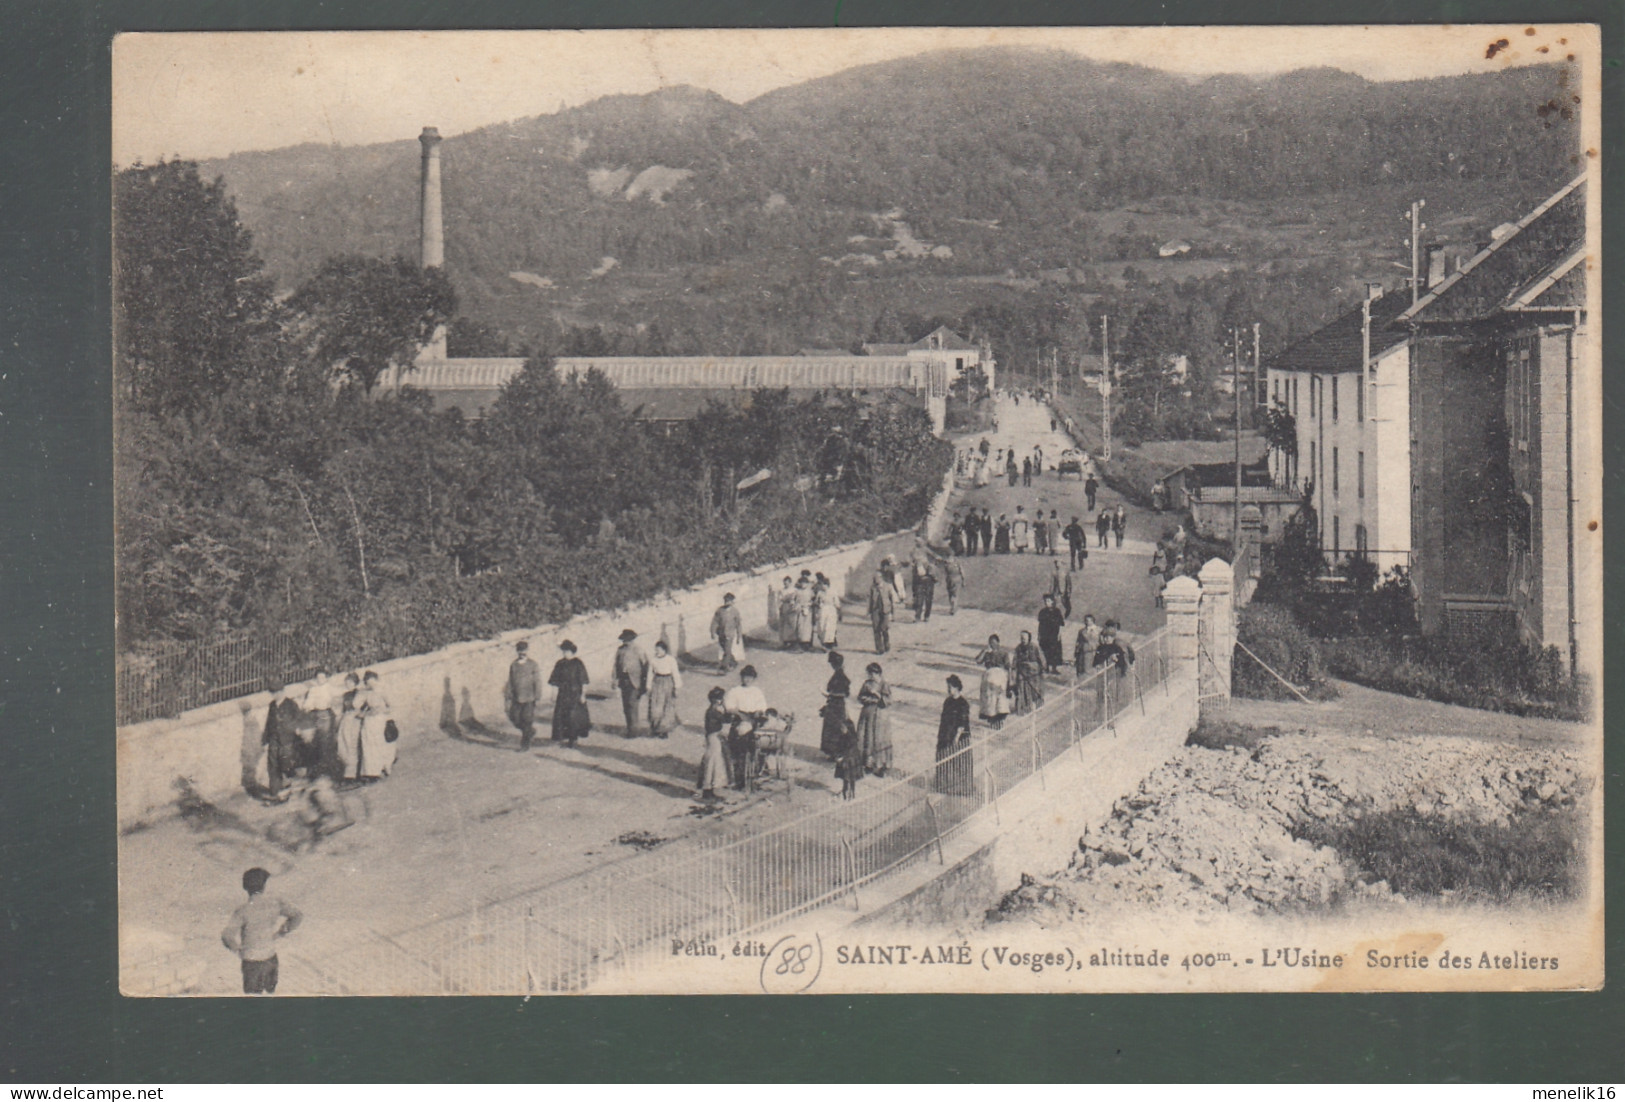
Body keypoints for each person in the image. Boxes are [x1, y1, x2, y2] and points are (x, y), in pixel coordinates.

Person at [222, 867, 302, 996]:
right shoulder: (274, 904)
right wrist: (282, 932)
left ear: (245, 887)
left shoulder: (242, 910)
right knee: (271, 994)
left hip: (251, 961)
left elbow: (227, 936)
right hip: (270, 957)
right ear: (264, 885)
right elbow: (297, 915)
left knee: (253, 1001)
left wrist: (237, 949)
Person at [722, 666, 770, 789]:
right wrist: (739, 714)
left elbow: (762, 706)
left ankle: (756, 773)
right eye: (745, 677)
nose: (747, 680)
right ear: (741, 677)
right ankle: (739, 779)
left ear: (754, 678)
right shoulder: (734, 691)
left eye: (750, 677)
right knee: (739, 751)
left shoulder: (757, 691)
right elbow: (729, 707)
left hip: (753, 721)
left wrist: (758, 713)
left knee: (758, 746)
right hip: (739, 720)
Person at [261, 682, 303, 800]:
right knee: (272, 765)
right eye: (273, 693)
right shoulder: (272, 705)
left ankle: (287, 790)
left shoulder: (291, 704)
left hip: (287, 740)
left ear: (282, 691)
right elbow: (268, 723)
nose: (275, 695)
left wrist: (296, 731)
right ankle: (275, 793)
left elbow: (299, 720)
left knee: (286, 765)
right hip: (274, 739)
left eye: (277, 692)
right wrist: (264, 741)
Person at [934, 675, 974, 797]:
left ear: (957, 688)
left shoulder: (963, 704)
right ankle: (944, 785)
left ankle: (961, 788)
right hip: (945, 736)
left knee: (959, 762)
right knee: (944, 760)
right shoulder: (948, 701)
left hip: (958, 739)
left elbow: (962, 724)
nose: (948, 689)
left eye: (950, 687)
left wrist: (955, 739)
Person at [355, 670, 396, 780]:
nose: (371, 685)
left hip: (380, 720)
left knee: (379, 745)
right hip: (369, 721)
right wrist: (366, 713)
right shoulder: (365, 693)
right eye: (369, 683)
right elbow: (356, 707)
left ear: (377, 681)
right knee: (368, 745)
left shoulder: (383, 691)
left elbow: (391, 707)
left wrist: (381, 710)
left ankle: (382, 767)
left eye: (373, 682)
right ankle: (371, 772)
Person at [548, 640, 591, 746]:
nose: (564, 653)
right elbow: (554, 680)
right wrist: (553, 694)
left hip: (575, 694)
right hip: (563, 694)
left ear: (572, 651)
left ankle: (574, 739)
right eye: (563, 651)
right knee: (562, 716)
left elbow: (584, 681)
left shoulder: (578, 663)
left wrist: (583, 695)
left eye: (566, 651)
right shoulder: (560, 663)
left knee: (573, 717)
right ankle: (564, 737)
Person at [302, 670, 341, 781]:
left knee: (325, 741)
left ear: (326, 678)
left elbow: (336, 702)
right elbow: (309, 703)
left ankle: (327, 769)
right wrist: (307, 707)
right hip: (315, 715)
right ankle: (316, 770)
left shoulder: (330, 689)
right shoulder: (313, 690)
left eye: (322, 678)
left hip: (326, 715)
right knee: (315, 742)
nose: (320, 680)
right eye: (318, 678)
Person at [856, 662, 893, 776]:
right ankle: (868, 765)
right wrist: (869, 699)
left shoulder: (884, 684)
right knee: (867, 739)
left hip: (880, 718)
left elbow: (888, 700)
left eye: (873, 674)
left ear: (878, 673)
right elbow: (860, 697)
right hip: (867, 716)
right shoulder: (867, 684)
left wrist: (876, 695)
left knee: (879, 740)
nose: (871, 676)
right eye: (869, 674)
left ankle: (881, 766)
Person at [613, 629, 650, 736]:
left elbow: (645, 666)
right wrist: (614, 679)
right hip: (624, 681)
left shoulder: (639, 650)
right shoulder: (620, 650)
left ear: (632, 640)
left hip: (635, 681)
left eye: (628, 640)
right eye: (624, 640)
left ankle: (634, 730)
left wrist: (644, 683)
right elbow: (616, 666)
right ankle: (630, 727)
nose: (625, 642)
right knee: (626, 706)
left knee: (632, 704)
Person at [696, 686, 730, 800]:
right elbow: (727, 719)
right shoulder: (713, 712)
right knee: (713, 762)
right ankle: (708, 789)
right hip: (713, 738)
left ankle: (709, 789)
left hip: (712, 738)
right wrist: (725, 706)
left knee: (712, 762)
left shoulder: (711, 711)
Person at [646, 640, 682, 739]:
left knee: (667, 706)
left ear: (664, 650)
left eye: (658, 650)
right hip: (657, 683)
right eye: (655, 650)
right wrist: (648, 686)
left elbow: (675, 673)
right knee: (656, 706)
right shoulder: (653, 660)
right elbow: (650, 674)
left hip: (668, 682)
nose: (656, 652)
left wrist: (677, 687)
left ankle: (664, 730)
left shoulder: (670, 660)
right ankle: (655, 728)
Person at [818, 651, 852, 757]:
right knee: (836, 728)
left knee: (834, 728)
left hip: (835, 705)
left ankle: (836, 753)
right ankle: (836, 753)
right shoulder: (840, 675)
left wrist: (828, 695)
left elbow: (842, 693)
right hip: (837, 705)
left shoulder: (839, 676)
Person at [977, 634, 1011, 729]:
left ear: (998, 643)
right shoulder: (987, 653)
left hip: (999, 676)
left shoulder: (1004, 653)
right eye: (990, 643)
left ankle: (999, 720)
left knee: (1000, 699)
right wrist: (984, 652)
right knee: (989, 699)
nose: (992, 645)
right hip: (988, 676)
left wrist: (1009, 681)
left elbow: (1008, 667)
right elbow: (978, 661)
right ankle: (992, 719)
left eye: (994, 643)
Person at [334, 672, 363, 781]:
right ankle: (348, 772)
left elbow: (362, 708)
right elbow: (342, 710)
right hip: (346, 721)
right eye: (347, 682)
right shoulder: (345, 695)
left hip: (355, 721)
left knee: (353, 746)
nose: (348, 684)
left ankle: (353, 774)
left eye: (350, 682)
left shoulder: (359, 694)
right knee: (343, 746)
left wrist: (357, 714)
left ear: (355, 683)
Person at [1011, 630, 1045, 713]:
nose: (1023, 640)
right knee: (1021, 689)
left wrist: (1042, 669)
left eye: (1024, 638)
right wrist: (1013, 671)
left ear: (1029, 638)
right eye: (1021, 638)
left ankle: (1038, 706)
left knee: (1036, 690)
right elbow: (1015, 661)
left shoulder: (1035, 647)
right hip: (1022, 672)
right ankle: (1023, 708)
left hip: (1034, 673)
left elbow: (1042, 660)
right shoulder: (1018, 648)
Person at [711, 592, 745, 673]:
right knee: (726, 650)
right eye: (726, 600)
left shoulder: (735, 612)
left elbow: (738, 624)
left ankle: (724, 668)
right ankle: (733, 662)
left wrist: (739, 636)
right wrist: (712, 632)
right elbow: (715, 622)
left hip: (730, 634)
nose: (727, 602)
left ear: (733, 602)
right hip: (721, 634)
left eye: (729, 601)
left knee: (727, 650)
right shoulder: (719, 611)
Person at [1037, 594, 1067, 674]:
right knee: (1045, 650)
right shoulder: (1042, 612)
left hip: (1054, 635)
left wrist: (1059, 634)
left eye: (1048, 601)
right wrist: (1039, 635)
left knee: (1054, 651)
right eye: (1045, 601)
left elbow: (1061, 624)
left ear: (1053, 602)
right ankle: (1046, 667)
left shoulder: (1057, 612)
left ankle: (1054, 668)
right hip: (1045, 634)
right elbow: (1040, 624)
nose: (1046, 603)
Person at [867, 570, 895, 654]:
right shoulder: (872, 588)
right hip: (876, 610)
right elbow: (870, 600)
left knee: (884, 628)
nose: (875, 580)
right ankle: (879, 648)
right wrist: (869, 611)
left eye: (877, 578)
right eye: (874, 578)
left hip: (886, 610)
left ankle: (886, 644)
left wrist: (892, 613)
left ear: (881, 578)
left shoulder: (888, 586)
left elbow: (892, 600)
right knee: (876, 629)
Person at [812, 574, 840, 650]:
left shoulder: (833, 592)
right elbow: (815, 602)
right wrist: (818, 604)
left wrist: (838, 610)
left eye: (825, 585)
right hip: (822, 610)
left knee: (829, 627)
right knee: (821, 626)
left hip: (831, 610)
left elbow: (837, 603)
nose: (823, 586)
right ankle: (823, 642)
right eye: (822, 585)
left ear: (828, 585)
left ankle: (828, 644)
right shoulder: (820, 593)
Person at [911, 547, 936, 622]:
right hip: (925, 583)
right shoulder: (927, 565)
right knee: (925, 600)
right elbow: (933, 575)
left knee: (921, 600)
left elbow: (914, 577)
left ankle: (920, 616)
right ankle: (924, 616)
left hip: (923, 584)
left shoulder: (923, 565)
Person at [776, 577, 799, 649]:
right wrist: (780, 607)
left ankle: (793, 642)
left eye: (787, 582)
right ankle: (784, 642)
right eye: (784, 582)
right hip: (784, 607)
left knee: (792, 624)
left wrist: (795, 606)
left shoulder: (794, 590)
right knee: (784, 624)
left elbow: (797, 599)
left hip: (791, 607)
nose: (785, 584)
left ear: (790, 582)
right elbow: (779, 599)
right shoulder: (781, 590)